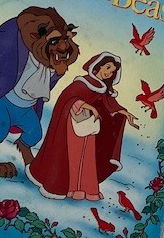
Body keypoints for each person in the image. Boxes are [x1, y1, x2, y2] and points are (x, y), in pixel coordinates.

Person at [27, 53, 138, 202]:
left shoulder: (103, 90)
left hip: (88, 130)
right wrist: (88, 106)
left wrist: (123, 112)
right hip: (71, 128)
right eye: (107, 67)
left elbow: (109, 105)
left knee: (86, 159)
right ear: (98, 66)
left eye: (112, 71)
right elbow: (69, 99)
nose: (109, 73)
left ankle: (84, 189)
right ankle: (70, 188)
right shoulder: (81, 84)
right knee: (71, 158)